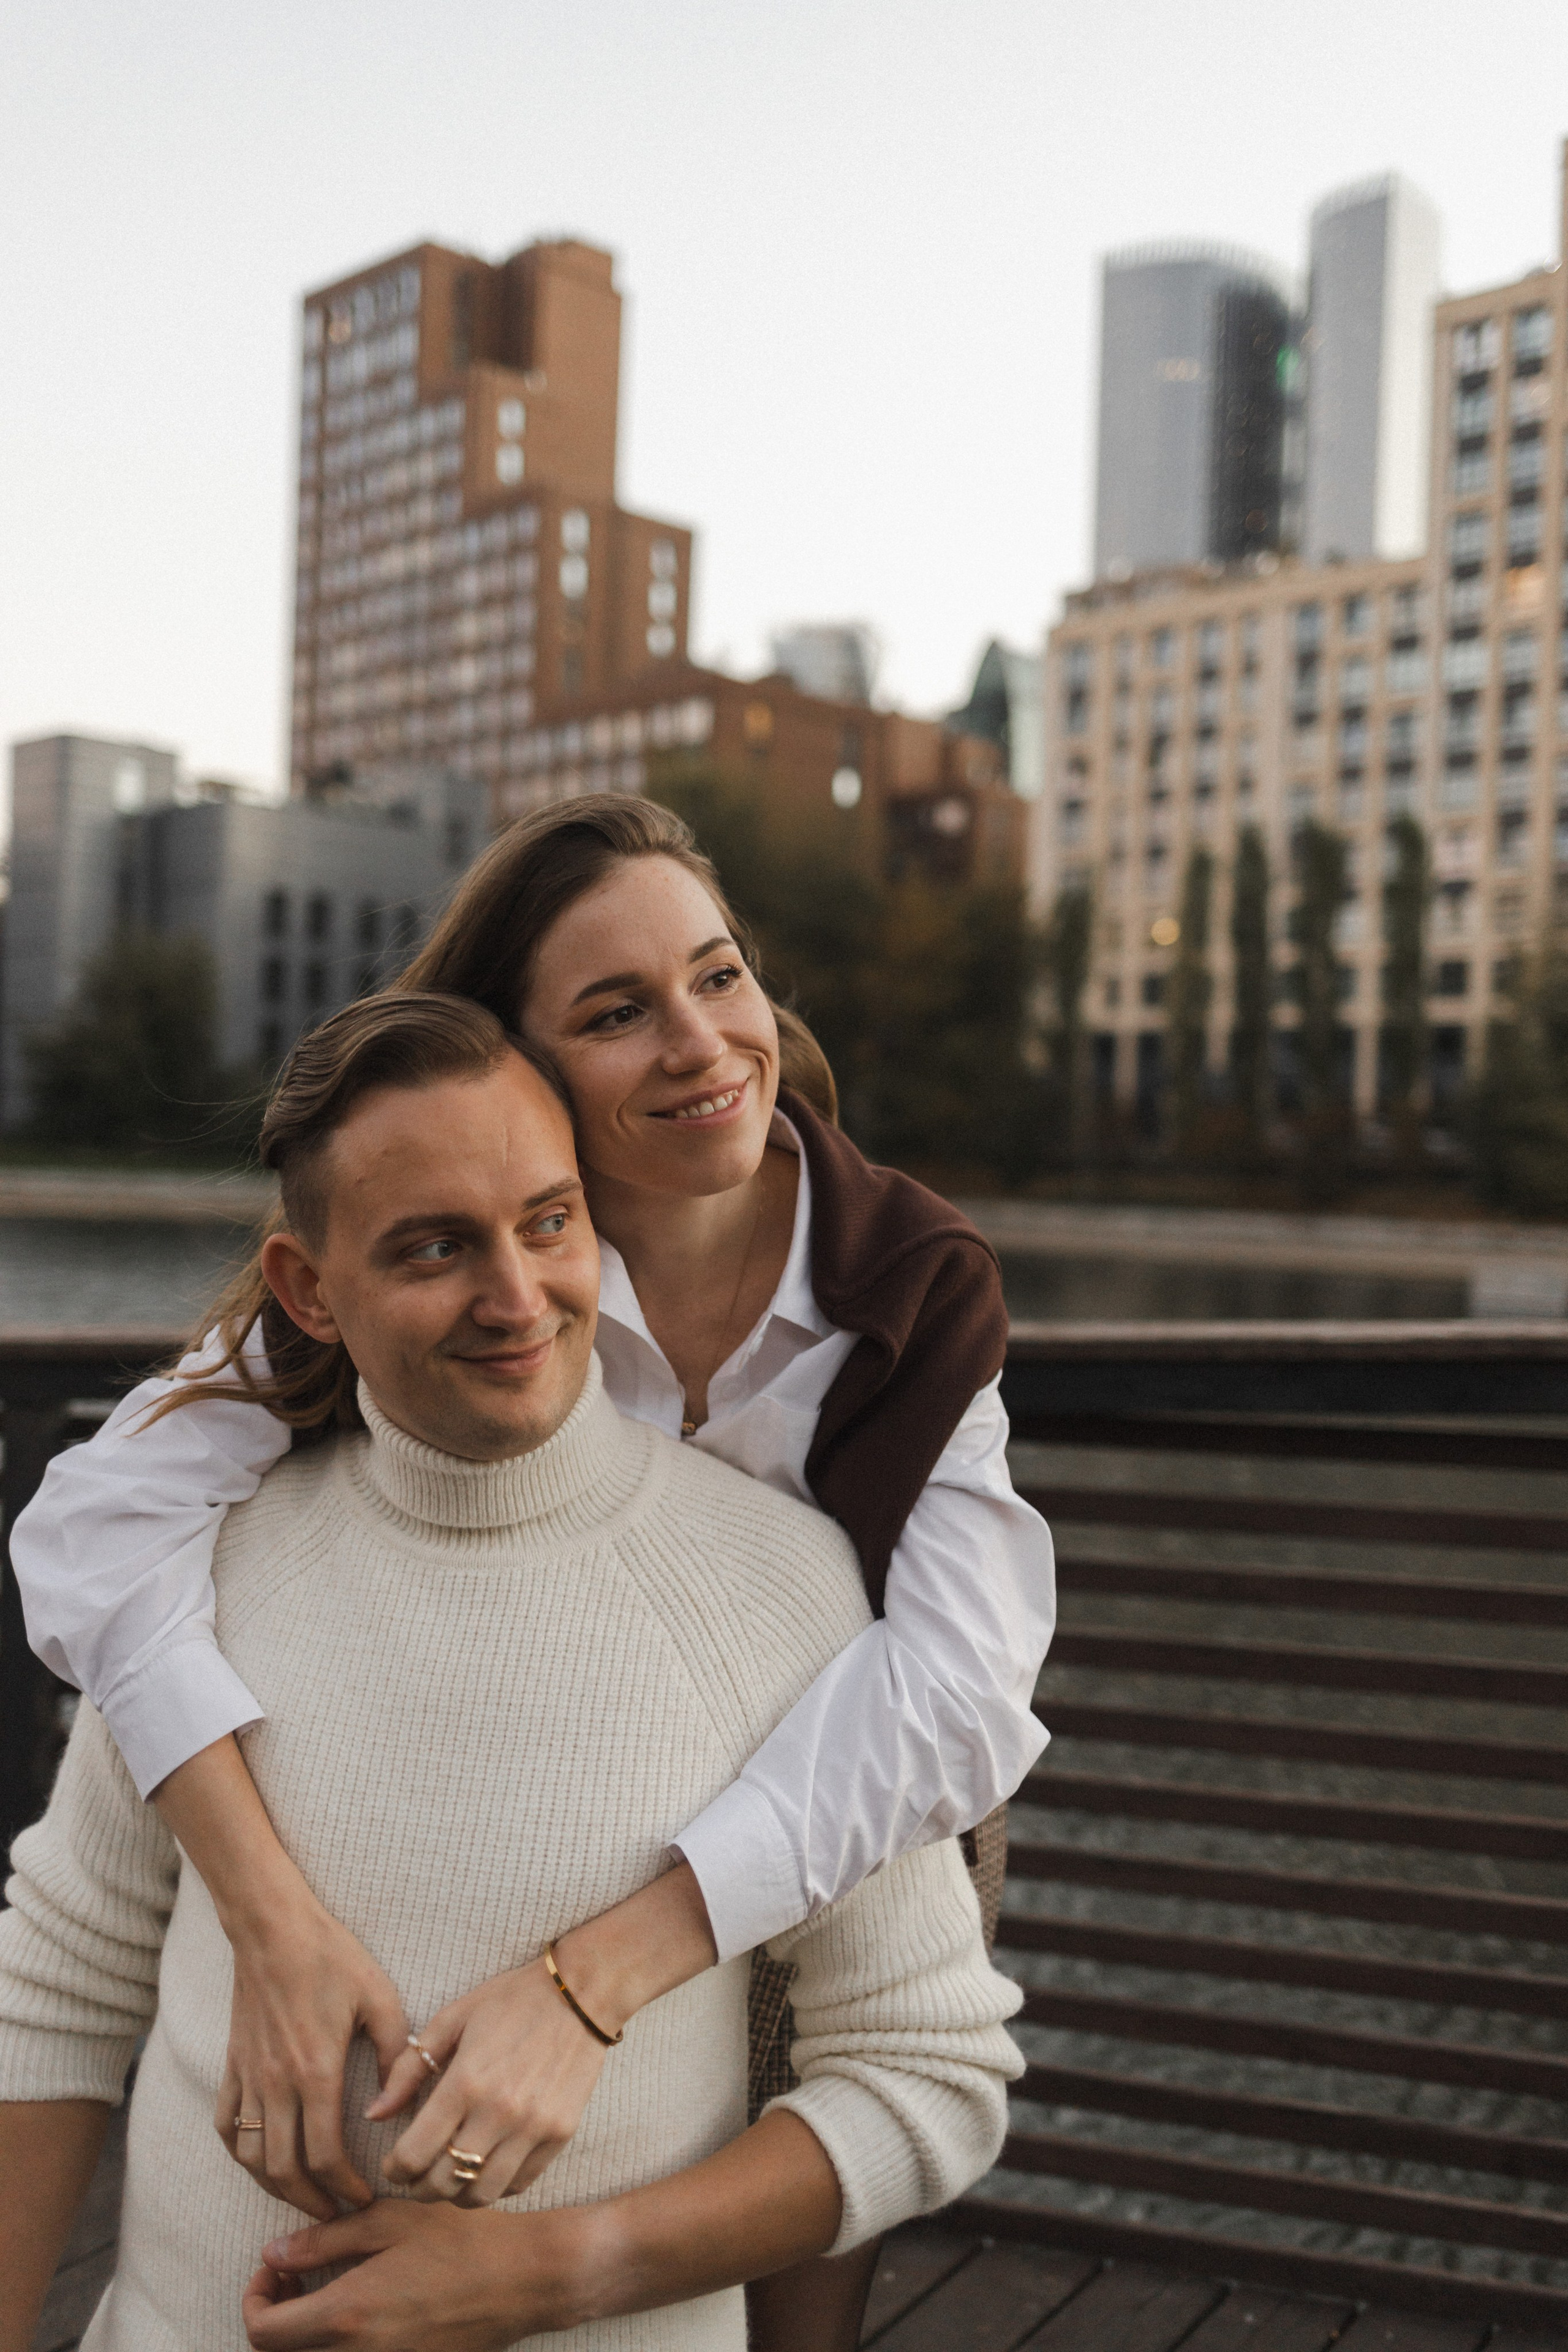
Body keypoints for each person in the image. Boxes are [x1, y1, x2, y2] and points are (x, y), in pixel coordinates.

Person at [12, 795, 1054, 2346]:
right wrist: (268, 1916)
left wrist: (591, 1987)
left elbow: (955, 1696)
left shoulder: (898, 1284)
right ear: (521, 1074)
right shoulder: (350, 1374)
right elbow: (95, 1528)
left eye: (718, 975)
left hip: (871, 1772)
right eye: (616, 1012)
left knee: (811, 2213)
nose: (699, 1043)